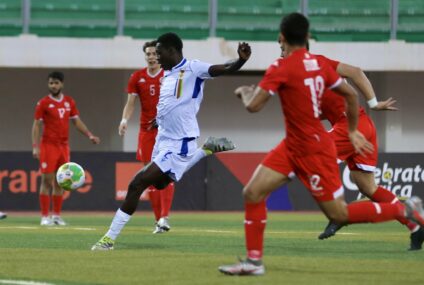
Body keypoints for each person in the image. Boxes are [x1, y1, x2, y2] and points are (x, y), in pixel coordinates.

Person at [218, 13, 424, 276]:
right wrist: (353, 128)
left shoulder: (280, 68)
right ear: (306, 37)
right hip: (296, 144)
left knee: (339, 215)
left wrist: (244, 92)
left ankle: (403, 208)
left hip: (314, 148)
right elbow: (350, 92)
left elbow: (253, 106)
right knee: (253, 192)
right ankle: (254, 262)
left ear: (282, 38)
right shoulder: (319, 65)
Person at [91, 32, 252, 250]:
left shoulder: (194, 68)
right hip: (162, 139)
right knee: (159, 183)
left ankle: (108, 239)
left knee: (136, 184)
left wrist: (241, 60)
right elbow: (172, 103)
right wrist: (159, 121)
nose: (157, 57)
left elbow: (223, 68)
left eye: (159, 53)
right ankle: (206, 149)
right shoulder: (168, 75)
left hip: (180, 141)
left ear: (172, 51)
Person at [314, 54, 424, 250]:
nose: (281, 52)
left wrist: (373, 103)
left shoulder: (317, 62)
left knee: (314, 157)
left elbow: (355, 72)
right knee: (369, 188)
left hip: (351, 126)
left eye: (282, 46)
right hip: (363, 126)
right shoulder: (306, 81)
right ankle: (414, 222)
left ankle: (339, 214)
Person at [119, 40, 175, 234]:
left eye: (154, 54)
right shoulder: (137, 77)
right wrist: (124, 120)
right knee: (148, 176)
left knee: (167, 172)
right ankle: (158, 220)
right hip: (146, 132)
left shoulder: (169, 75)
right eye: (148, 54)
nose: (151, 57)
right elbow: (131, 103)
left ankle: (165, 217)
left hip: (167, 131)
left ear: (159, 55)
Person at [32, 71, 100, 226]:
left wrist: (89, 135)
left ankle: (56, 216)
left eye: (56, 83)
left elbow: (77, 122)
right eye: (51, 83)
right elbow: (36, 125)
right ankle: (44, 216)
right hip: (48, 145)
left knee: (60, 182)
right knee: (47, 180)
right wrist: (35, 146)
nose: (53, 86)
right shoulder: (43, 103)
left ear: (62, 84)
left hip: (63, 146)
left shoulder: (69, 102)